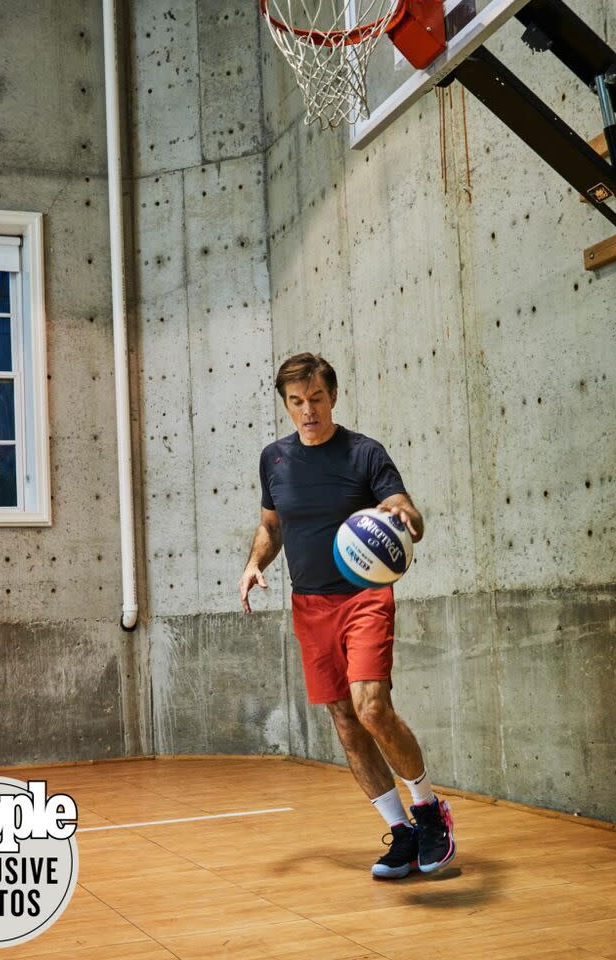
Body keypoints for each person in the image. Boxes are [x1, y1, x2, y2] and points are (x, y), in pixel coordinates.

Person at [238, 352, 455, 877]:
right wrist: (252, 563)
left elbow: (410, 514)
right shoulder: (275, 460)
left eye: (316, 398)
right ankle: (400, 833)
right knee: (344, 719)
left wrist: (405, 516)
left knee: (372, 707)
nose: (307, 410)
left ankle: (429, 811)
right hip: (309, 605)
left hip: (363, 597)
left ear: (332, 396)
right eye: (296, 402)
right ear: (286, 405)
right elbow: (272, 527)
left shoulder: (364, 454)